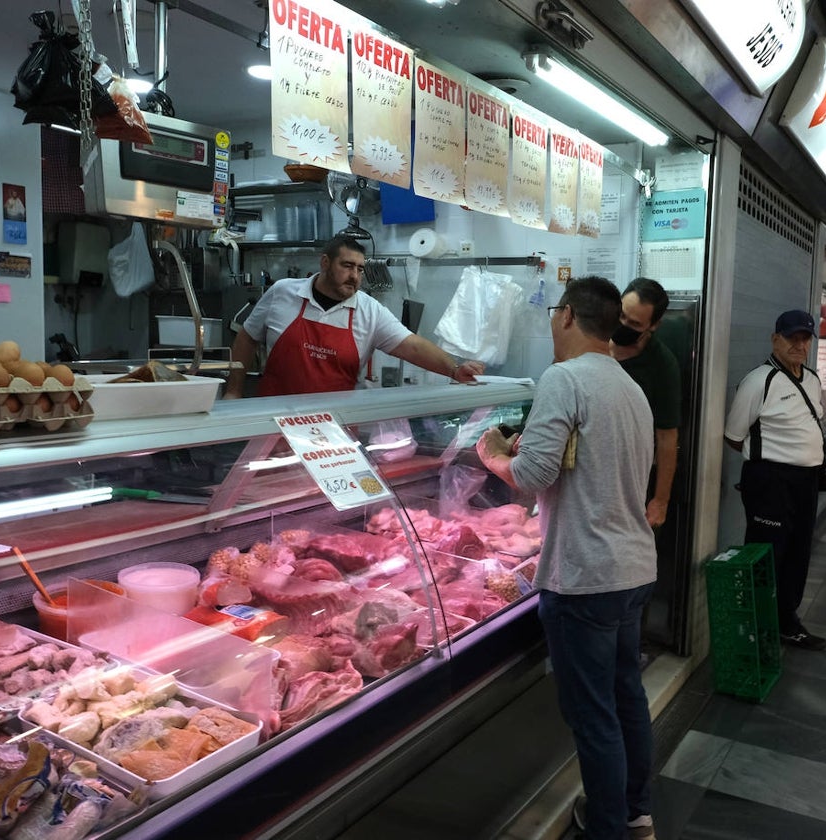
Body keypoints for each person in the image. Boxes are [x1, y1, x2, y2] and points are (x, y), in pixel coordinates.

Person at [476, 276, 659, 840]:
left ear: (567, 317)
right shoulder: (630, 387)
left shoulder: (564, 378)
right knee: (627, 696)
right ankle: (637, 813)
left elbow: (533, 477)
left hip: (585, 577)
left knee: (593, 716)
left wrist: (492, 456)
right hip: (632, 570)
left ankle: (607, 830)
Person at [225, 236, 484, 397]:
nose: (355, 276)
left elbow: (412, 346)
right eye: (347, 266)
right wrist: (234, 392)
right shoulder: (283, 292)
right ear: (325, 263)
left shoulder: (369, 310)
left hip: (335, 426)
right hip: (273, 419)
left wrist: (455, 369)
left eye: (360, 269)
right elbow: (247, 338)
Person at [724, 309, 826, 651]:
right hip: (770, 480)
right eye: (792, 337)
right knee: (767, 552)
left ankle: (787, 621)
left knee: (799, 550)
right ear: (775, 339)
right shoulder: (759, 381)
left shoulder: (812, 378)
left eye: (805, 338)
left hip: (806, 481)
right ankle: (756, 624)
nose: (799, 344)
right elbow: (734, 435)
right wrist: (766, 463)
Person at [610, 278, 681, 527]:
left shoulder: (661, 364)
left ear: (653, 326)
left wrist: (660, 500)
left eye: (634, 324)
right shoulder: (593, 339)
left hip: (633, 477)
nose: (623, 325)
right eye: (621, 316)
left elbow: (667, 436)